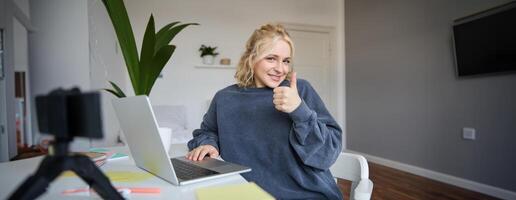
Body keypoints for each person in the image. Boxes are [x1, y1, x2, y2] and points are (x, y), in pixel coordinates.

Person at [187, 23, 343, 200]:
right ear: (251, 58)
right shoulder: (224, 98)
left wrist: (299, 110)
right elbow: (207, 132)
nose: (280, 69)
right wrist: (208, 144)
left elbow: (327, 155)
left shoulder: (300, 90)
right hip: (246, 193)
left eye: (286, 61)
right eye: (271, 58)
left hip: (306, 194)